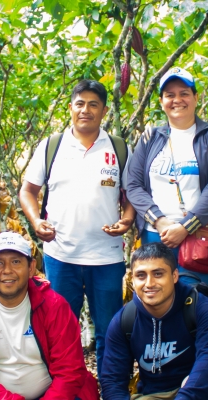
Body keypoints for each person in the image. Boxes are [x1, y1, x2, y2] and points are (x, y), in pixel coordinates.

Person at [18, 79, 134, 370]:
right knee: (61, 329)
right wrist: (36, 221)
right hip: (61, 255)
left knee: (110, 329)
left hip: (106, 256)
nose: (86, 110)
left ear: (104, 110)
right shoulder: (52, 146)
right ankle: (66, 385)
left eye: (93, 104)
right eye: (80, 103)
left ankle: (111, 387)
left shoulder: (119, 148)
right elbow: (27, 190)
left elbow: (132, 194)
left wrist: (128, 219)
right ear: (70, 108)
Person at [0, 232, 99, 400]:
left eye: (16, 262)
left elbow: (69, 370)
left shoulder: (54, 305)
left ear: (31, 267)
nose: (7, 270)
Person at [123, 68, 208, 288]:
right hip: (156, 235)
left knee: (196, 304)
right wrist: (159, 221)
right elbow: (133, 184)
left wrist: (185, 227)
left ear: (196, 97)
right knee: (156, 299)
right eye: (170, 95)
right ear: (162, 101)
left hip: (199, 235)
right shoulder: (150, 137)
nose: (177, 100)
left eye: (184, 93)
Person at [100, 243, 208, 400]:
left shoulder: (201, 309)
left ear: (174, 276)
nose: (149, 283)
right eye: (141, 275)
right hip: (152, 394)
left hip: (199, 390)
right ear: (132, 279)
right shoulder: (124, 320)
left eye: (158, 274)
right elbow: (113, 380)